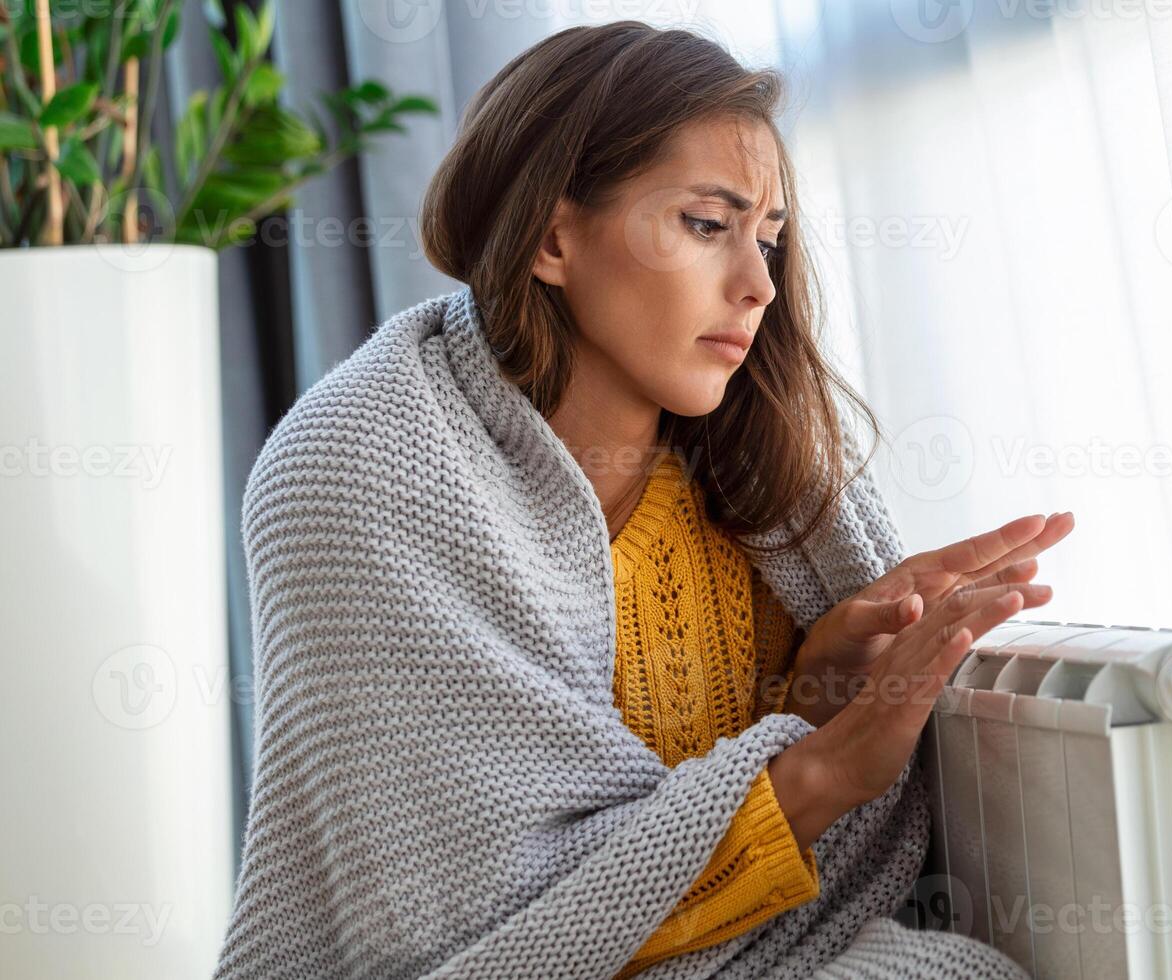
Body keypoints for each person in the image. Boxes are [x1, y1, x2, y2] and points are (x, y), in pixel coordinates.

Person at [213, 20, 1074, 980]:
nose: (759, 285)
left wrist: (818, 696)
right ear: (551, 235)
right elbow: (485, 939)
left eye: (771, 239)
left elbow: (776, 868)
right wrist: (824, 770)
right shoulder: (360, 473)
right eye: (707, 225)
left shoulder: (770, 489)